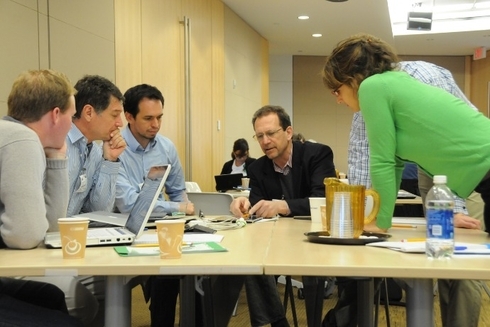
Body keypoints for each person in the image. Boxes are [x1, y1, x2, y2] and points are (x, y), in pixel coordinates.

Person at [322, 34, 490, 327]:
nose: (336, 99)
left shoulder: (373, 88)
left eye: (337, 89)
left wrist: (379, 224)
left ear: (354, 78)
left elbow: (382, 160)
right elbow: (395, 162)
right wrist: (377, 219)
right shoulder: (392, 87)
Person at [230, 105, 336, 327]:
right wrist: (245, 205)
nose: (265, 141)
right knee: (252, 261)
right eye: (260, 136)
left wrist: (283, 206)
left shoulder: (317, 154)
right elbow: (257, 207)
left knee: (357, 280)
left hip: (317, 237)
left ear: (288, 132)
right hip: (279, 241)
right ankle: (275, 323)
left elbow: (323, 200)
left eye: (271, 133)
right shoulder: (258, 168)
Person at [0, 69, 81, 326]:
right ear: (56, 115)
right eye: (73, 115)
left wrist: (57, 158)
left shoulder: (14, 134)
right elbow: (25, 236)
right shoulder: (20, 139)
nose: (73, 123)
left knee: (51, 296)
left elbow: (53, 227)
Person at [115, 84, 198, 327]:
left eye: (160, 117)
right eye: (148, 118)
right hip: (126, 231)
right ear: (129, 117)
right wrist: (177, 209)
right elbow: (130, 205)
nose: (156, 124)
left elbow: (177, 191)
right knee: (165, 276)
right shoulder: (115, 149)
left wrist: (187, 215)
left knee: (192, 271)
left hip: (160, 229)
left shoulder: (166, 147)